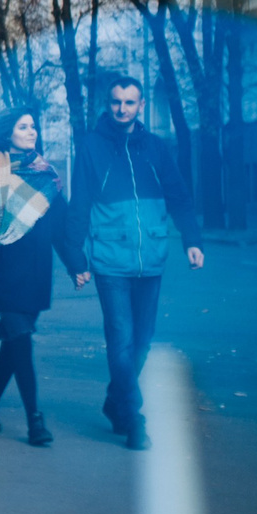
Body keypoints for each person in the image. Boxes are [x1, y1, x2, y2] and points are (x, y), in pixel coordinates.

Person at [72, 74, 204, 450]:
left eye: (130, 102)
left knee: (142, 341)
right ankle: (134, 418)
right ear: (107, 103)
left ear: (140, 105)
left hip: (152, 259)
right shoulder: (92, 147)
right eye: (116, 101)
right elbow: (79, 204)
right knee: (122, 338)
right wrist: (75, 257)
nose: (122, 108)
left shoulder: (156, 148)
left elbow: (179, 196)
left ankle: (116, 402)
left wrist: (192, 241)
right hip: (110, 261)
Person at [0, 106, 90, 447]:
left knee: (16, 342)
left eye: (34, 126)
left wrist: (76, 264)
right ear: (6, 132)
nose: (32, 132)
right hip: (0, 272)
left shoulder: (46, 175)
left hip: (36, 274)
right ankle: (35, 422)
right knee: (22, 341)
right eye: (24, 126)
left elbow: (61, 229)